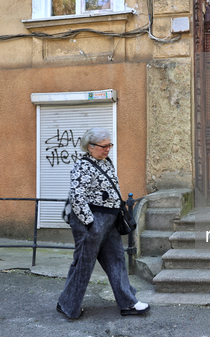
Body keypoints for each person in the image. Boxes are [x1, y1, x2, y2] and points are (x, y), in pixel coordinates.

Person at [57, 127, 149, 319]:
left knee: (116, 260)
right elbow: (77, 198)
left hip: (110, 221)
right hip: (91, 222)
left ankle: (128, 303)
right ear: (90, 147)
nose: (108, 149)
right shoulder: (82, 167)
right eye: (103, 146)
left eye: (109, 145)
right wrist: (91, 225)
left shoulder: (106, 162)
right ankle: (67, 305)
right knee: (83, 264)